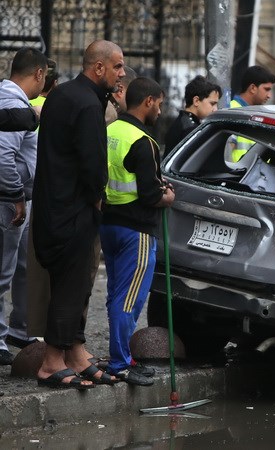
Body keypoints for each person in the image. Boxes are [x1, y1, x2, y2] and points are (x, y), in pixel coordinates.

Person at [32, 39, 126, 389]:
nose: (121, 74)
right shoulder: (87, 104)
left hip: (52, 206)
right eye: (117, 66)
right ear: (98, 67)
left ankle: (75, 353)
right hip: (73, 210)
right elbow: (92, 165)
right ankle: (51, 362)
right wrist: (98, 198)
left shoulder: (63, 94)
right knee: (71, 286)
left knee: (69, 285)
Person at [101, 77, 174, 385]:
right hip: (137, 231)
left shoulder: (110, 130)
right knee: (128, 300)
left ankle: (124, 357)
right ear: (148, 102)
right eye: (159, 103)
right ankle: (119, 364)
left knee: (116, 295)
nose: (160, 109)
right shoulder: (143, 142)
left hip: (109, 224)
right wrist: (168, 195)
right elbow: (150, 194)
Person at [0, 47, 48, 364]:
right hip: (8, 201)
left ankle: (20, 329)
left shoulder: (14, 100)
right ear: (39, 74)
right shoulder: (13, 102)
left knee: (22, 269)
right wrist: (15, 195)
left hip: (19, 199)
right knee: (2, 272)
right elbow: (3, 156)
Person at [164, 75, 222, 158]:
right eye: (212, 104)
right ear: (196, 101)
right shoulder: (190, 129)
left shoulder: (182, 122)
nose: (215, 109)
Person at [228, 66, 275, 162]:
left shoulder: (258, 113)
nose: (269, 95)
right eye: (266, 89)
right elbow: (227, 151)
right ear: (253, 88)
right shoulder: (232, 111)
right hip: (239, 175)